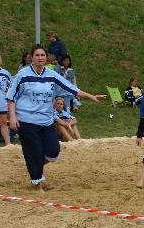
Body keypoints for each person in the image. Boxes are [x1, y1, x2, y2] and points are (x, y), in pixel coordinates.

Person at [6, 45, 105, 191]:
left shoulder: (51, 75)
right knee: (34, 152)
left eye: (42, 55)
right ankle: (37, 184)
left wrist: (91, 96)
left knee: (54, 151)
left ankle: (35, 165)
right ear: (32, 58)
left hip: (47, 120)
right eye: (37, 55)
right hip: (27, 121)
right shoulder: (23, 74)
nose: (40, 58)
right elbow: (11, 97)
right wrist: (13, 116)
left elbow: (71, 88)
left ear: (46, 58)